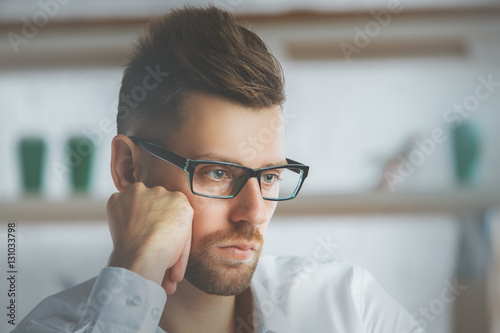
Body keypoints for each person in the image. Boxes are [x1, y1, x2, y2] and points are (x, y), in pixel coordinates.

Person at [13, 6, 422, 333]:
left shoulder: (349, 308)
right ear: (129, 169)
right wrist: (133, 273)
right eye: (218, 173)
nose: (255, 212)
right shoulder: (49, 327)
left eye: (269, 177)